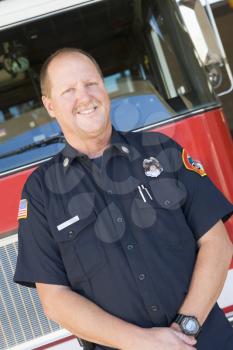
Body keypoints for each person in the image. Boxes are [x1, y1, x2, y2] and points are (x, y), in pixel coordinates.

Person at [14, 48, 233, 350]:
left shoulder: (162, 151)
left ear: (104, 88)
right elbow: (55, 299)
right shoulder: (40, 193)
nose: (85, 97)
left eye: (91, 83)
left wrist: (186, 327)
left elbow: (217, 243)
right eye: (68, 90)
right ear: (50, 105)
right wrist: (145, 343)